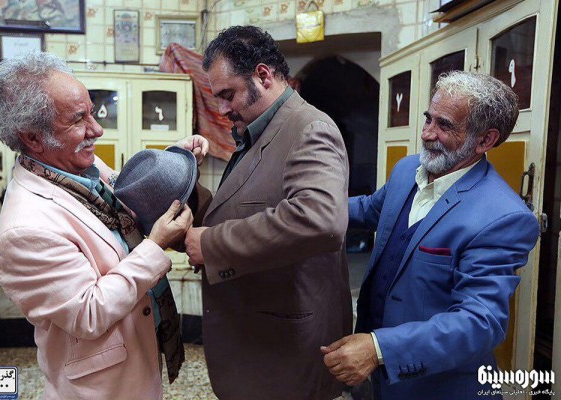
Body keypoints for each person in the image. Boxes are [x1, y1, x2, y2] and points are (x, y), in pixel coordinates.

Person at [0, 52, 206, 399]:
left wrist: (173, 161)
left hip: (136, 359)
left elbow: (126, 202)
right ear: (33, 138)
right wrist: (156, 245)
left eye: (91, 111)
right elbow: (89, 313)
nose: (97, 129)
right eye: (78, 119)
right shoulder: (24, 231)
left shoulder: (75, 164)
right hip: (100, 388)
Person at [321, 71, 540, 400]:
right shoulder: (407, 170)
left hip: (438, 387)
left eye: (444, 125)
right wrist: (308, 207)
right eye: (428, 119)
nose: (426, 133)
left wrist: (379, 349)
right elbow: (370, 209)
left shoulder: (503, 217)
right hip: (377, 382)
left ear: (485, 140)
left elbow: (480, 323)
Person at [183, 26, 352, 400]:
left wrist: (211, 244)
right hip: (257, 346)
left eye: (228, 95)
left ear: (263, 75)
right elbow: (236, 212)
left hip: (286, 354)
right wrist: (183, 176)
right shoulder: (258, 131)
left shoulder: (309, 128)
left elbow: (319, 219)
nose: (223, 109)